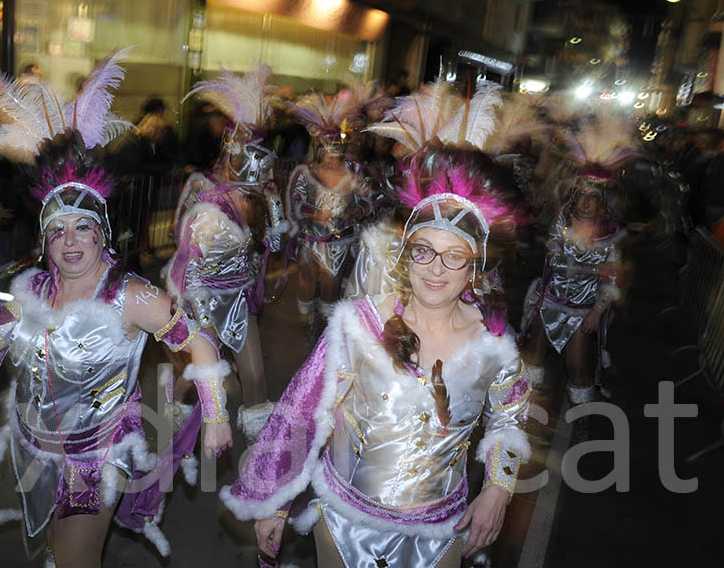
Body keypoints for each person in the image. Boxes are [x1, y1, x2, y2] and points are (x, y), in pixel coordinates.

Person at [0, 49, 232, 568]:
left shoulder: (129, 295)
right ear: (43, 240)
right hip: (32, 450)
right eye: (56, 230)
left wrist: (216, 413)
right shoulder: (33, 292)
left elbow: (197, 339)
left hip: (95, 459)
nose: (69, 242)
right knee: (48, 552)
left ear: (102, 234)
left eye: (81, 227)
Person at [222, 81, 531, 568]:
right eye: (424, 251)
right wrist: (276, 500)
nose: (435, 269)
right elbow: (303, 410)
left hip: (441, 529)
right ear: (405, 256)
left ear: (476, 268)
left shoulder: (493, 342)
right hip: (345, 521)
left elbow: (511, 414)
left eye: (455, 258)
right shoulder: (360, 323)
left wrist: (498, 486)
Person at [168, 65, 287, 443]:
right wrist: (201, 324)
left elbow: (277, 246)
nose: (263, 176)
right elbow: (183, 252)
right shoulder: (204, 194)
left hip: (237, 300)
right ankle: (181, 441)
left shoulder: (258, 199)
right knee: (201, 381)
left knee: (254, 380)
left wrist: (272, 205)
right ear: (234, 155)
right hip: (199, 299)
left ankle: (258, 466)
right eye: (259, 167)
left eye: (267, 169)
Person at [519, 118, 634, 403]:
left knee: (578, 367)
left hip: (582, 310)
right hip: (551, 301)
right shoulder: (562, 223)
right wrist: (594, 268)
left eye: (592, 198)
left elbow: (613, 283)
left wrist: (597, 310)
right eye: (581, 195)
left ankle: (582, 417)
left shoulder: (610, 235)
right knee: (531, 358)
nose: (584, 203)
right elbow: (554, 261)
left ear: (602, 203)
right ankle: (520, 412)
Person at [285, 90, 373, 327]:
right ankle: (306, 322)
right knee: (306, 282)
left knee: (330, 284)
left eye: (337, 156)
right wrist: (315, 213)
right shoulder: (305, 174)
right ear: (319, 151)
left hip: (339, 243)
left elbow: (368, 199)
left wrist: (358, 211)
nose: (332, 162)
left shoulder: (354, 174)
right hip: (310, 240)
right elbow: (295, 202)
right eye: (327, 156)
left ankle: (324, 328)